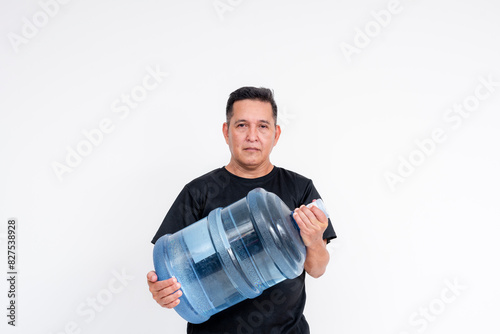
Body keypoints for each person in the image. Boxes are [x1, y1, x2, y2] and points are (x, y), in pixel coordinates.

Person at [147, 86, 336, 334]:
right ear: (227, 132)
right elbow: (170, 264)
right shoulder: (200, 191)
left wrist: (313, 240)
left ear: (276, 134)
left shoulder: (299, 189)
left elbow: (317, 269)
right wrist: (162, 291)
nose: (252, 136)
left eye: (263, 126)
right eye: (242, 125)